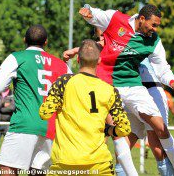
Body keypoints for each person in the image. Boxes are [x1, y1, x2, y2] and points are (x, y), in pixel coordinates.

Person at [79, 4, 174, 176]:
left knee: (161, 129)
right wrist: (87, 12)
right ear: (141, 18)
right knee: (117, 134)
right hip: (109, 86)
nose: (155, 29)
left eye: (157, 26)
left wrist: (173, 81)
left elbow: (162, 67)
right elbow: (94, 14)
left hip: (134, 87)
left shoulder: (154, 40)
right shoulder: (116, 19)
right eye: (153, 24)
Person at [39, 39, 131, 175]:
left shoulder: (64, 82)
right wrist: (108, 130)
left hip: (65, 163)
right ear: (99, 61)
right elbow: (125, 129)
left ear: (77, 59)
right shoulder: (110, 90)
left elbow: (44, 113)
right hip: (99, 165)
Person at [0, 24, 71, 176]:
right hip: (51, 129)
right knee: (38, 172)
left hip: (24, 124)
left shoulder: (17, 57)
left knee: (8, 168)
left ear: (24, 39)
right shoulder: (62, 65)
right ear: (46, 42)